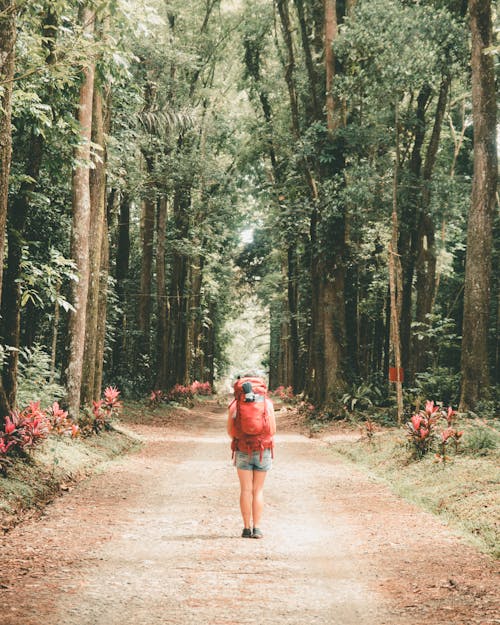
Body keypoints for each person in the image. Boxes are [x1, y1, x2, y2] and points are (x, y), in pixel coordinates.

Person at [227, 375, 276, 539]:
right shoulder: (267, 404)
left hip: (242, 449)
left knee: (245, 490)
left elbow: (230, 432)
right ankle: (257, 528)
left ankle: (246, 528)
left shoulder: (235, 405)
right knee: (258, 490)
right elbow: (273, 430)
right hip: (263, 450)